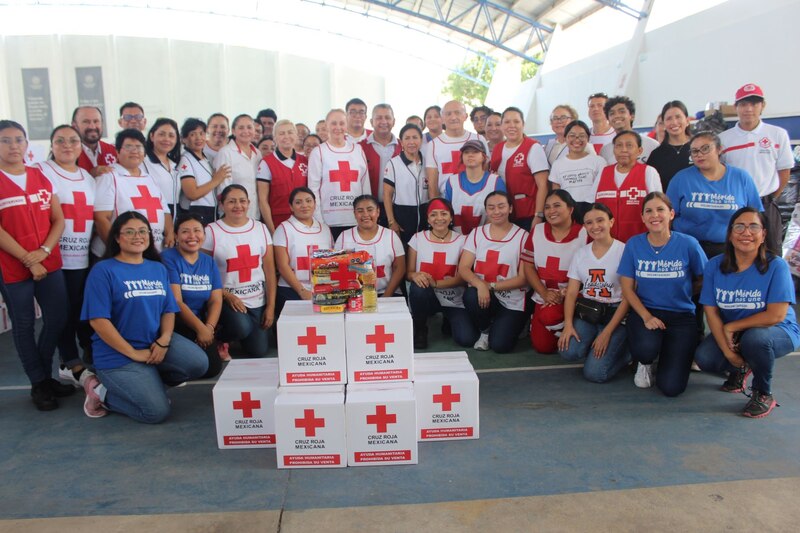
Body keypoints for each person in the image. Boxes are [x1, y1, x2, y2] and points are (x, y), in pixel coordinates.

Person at [80, 211, 208, 422]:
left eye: (142, 231)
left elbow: (169, 310)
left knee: (198, 363)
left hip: (153, 344)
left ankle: (147, 383)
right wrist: (132, 353)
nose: (137, 236)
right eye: (129, 232)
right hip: (117, 354)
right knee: (155, 412)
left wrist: (164, 340)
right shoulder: (103, 270)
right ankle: (100, 392)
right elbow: (98, 321)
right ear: (116, 237)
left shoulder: (157, 268)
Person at [695, 207, 800, 418]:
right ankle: (740, 369)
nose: (746, 232)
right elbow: (711, 311)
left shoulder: (776, 266)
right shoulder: (715, 266)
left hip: (776, 330)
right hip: (736, 334)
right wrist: (728, 353)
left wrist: (731, 327)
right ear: (730, 234)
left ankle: (763, 392)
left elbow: (776, 315)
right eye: (739, 226)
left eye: (754, 226)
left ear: (763, 235)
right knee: (706, 359)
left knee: (756, 340)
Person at [0, 120, 71, 410]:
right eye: (5, 140)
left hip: (48, 260)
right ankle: (38, 383)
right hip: (13, 266)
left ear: (27, 144)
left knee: (57, 318)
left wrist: (43, 251)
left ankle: (44, 374)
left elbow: (59, 219)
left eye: (19, 140)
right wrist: (28, 259)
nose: (14, 146)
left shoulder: (40, 176)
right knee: (24, 324)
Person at [618, 192, 707, 397]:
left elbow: (704, 278)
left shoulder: (688, 244)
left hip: (681, 317)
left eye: (660, 209)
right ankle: (645, 362)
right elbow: (627, 287)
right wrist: (646, 316)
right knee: (646, 348)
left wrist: (685, 291)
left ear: (672, 214)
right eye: (648, 211)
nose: (654, 215)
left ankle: (670, 353)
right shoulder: (634, 244)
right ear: (642, 217)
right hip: (646, 312)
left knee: (671, 388)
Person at [35, 125, 95, 385]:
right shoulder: (41, 171)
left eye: (73, 140)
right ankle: (69, 361)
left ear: (81, 146)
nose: (67, 145)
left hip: (83, 257)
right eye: (60, 141)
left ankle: (85, 358)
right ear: (51, 145)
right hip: (54, 257)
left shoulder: (88, 177)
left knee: (80, 310)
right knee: (60, 314)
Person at [558, 203, 631, 382]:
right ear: (584, 226)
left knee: (595, 374)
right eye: (589, 222)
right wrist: (568, 324)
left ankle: (629, 353)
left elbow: (628, 298)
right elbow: (572, 292)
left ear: (611, 222)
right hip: (590, 313)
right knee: (568, 351)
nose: (595, 226)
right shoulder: (581, 254)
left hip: (616, 316)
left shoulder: (624, 251)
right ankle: (597, 342)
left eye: (600, 220)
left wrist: (607, 333)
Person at [720, 83, 794, 254]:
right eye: (744, 104)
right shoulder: (724, 139)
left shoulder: (777, 134)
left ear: (763, 106)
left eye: (754, 104)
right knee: (736, 253)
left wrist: (770, 198)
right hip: (735, 205)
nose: (749, 109)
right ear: (736, 107)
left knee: (770, 253)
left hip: (766, 204)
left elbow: (784, 171)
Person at [202, 185, 276, 358]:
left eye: (242, 201)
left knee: (258, 351)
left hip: (257, 299)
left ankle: (243, 330)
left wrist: (270, 306)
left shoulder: (260, 228)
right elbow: (202, 272)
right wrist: (226, 295)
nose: (238, 206)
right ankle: (218, 337)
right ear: (222, 205)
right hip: (227, 299)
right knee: (241, 328)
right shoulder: (211, 231)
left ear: (249, 203)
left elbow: (270, 270)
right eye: (231, 201)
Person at [667, 131, 762, 260]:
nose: (699, 154)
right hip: (688, 248)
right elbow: (667, 216)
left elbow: (756, 216)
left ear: (719, 149)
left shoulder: (741, 178)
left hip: (730, 249)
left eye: (705, 149)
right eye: (694, 151)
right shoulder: (681, 179)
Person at [458, 191, 529, 353]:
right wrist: (480, 285)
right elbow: (464, 267)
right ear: (486, 211)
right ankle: (485, 330)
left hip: (512, 299)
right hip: (484, 297)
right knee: (471, 294)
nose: (496, 211)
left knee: (500, 346)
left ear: (510, 208)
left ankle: (519, 322)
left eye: (501, 206)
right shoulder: (477, 233)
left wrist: (489, 286)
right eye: (491, 207)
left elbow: (524, 278)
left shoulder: (523, 236)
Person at [522, 190, 588, 354]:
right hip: (544, 297)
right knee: (542, 347)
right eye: (547, 207)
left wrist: (567, 293)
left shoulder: (585, 233)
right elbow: (528, 267)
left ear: (571, 209)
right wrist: (544, 293)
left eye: (557, 205)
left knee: (550, 317)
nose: (551, 211)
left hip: (575, 297)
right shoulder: (537, 231)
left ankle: (577, 327)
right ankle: (562, 329)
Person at [407, 198, 478, 349]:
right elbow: (409, 272)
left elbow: (463, 277)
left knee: (467, 339)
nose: (439, 218)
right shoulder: (418, 238)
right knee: (417, 288)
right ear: (427, 218)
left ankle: (448, 318)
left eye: (444, 214)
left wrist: (437, 283)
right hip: (428, 296)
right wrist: (415, 276)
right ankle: (420, 328)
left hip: (453, 297)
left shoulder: (463, 241)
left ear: (451, 217)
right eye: (433, 215)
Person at [93, 129, 174, 258]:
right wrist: (117, 249)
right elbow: (100, 218)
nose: (135, 151)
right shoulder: (109, 177)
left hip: (151, 252)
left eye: (139, 147)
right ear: (117, 151)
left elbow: (164, 210)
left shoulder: (149, 178)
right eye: (128, 146)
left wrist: (169, 232)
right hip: (120, 255)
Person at [161, 213, 224, 379]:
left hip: (200, 320)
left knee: (213, 368)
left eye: (197, 231)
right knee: (198, 365)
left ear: (204, 235)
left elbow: (215, 299)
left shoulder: (208, 261)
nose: (192, 236)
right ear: (176, 235)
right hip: (176, 322)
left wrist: (209, 328)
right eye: (185, 232)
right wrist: (200, 329)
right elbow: (177, 301)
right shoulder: (168, 259)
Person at [307, 108, 370, 240]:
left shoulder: (357, 150)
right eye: (333, 123)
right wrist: (319, 220)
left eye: (341, 123)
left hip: (355, 219)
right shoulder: (318, 152)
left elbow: (365, 185)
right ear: (326, 126)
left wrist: (366, 215)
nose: (338, 127)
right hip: (329, 221)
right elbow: (313, 189)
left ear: (347, 124)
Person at [591, 130, 662, 242]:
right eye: (619, 145)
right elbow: (592, 206)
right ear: (614, 150)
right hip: (607, 243)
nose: (623, 150)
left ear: (639, 151)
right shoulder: (604, 172)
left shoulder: (648, 172)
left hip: (640, 242)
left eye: (629, 145)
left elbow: (659, 209)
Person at [273, 187, 333, 313]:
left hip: (322, 289)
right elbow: (282, 266)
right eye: (298, 202)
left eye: (308, 201)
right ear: (291, 207)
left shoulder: (325, 229)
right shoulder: (283, 229)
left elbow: (331, 261)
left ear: (315, 204)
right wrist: (302, 291)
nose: (304, 205)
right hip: (291, 290)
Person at [489, 107, 548, 231]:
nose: (512, 126)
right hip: (504, 214)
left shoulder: (533, 147)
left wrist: (539, 215)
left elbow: (543, 185)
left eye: (516, 122)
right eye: (507, 122)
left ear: (523, 124)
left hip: (528, 214)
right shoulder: (497, 149)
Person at [334, 195, 405, 297]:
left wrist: (386, 296)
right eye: (360, 211)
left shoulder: (391, 235)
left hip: (386, 292)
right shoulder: (344, 236)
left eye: (370, 209)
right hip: (354, 294)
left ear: (378, 212)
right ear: (354, 214)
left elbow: (400, 268)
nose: (365, 214)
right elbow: (337, 268)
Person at [425, 100, 488, 197]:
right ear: (442, 118)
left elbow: (486, 170)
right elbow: (432, 184)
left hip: (478, 197)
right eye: (448, 114)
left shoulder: (479, 139)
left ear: (465, 116)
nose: (453, 117)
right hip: (447, 201)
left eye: (457, 113)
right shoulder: (433, 145)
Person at [257, 120, 308, 234]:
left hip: (303, 220)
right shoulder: (266, 163)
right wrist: (271, 229)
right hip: (278, 222)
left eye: (290, 132)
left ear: (296, 135)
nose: (286, 136)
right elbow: (263, 200)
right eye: (281, 133)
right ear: (275, 138)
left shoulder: (304, 161)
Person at [445, 140, 506, 235]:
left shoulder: (495, 182)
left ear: (483, 157)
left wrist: (479, 237)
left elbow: (501, 213)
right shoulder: (452, 181)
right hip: (456, 238)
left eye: (475, 152)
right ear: (462, 157)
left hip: (487, 237)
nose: (470, 155)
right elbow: (446, 213)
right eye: (466, 152)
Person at [549, 120, 606, 221]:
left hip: (592, 213)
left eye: (582, 135)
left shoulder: (599, 161)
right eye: (572, 135)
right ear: (565, 138)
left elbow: (601, 191)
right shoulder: (557, 164)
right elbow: (556, 194)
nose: (577, 139)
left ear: (588, 138)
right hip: (566, 215)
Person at [177, 118, 230, 225]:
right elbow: (192, 194)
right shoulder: (185, 160)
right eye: (193, 134)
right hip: (196, 212)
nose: (199, 138)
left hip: (210, 211)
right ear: (184, 139)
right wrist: (216, 180)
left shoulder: (206, 158)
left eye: (201, 133)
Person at [383, 123, 428, 245]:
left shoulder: (429, 162)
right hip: (402, 217)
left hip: (425, 217)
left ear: (421, 140)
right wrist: (392, 222)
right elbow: (387, 194)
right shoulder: (393, 164)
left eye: (415, 137)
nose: (411, 142)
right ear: (401, 142)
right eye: (407, 138)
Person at [214, 114, 261, 221]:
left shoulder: (257, 153)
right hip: (233, 215)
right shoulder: (226, 152)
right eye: (241, 128)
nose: (246, 131)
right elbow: (223, 188)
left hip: (255, 213)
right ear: (234, 131)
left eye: (249, 127)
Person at [360, 104, 401, 221]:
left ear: (394, 121)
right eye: (379, 118)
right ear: (372, 122)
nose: (384, 121)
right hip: (369, 210)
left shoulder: (403, 146)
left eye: (387, 117)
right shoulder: (360, 148)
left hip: (397, 208)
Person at [647, 101, 693, 190]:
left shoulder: (699, 148)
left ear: (687, 121)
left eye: (678, 117)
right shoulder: (656, 155)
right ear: (664, 124)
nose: (674, 122)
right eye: (669, 118)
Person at [599, 96, 659, 165]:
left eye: (622, 111)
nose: (617, 116)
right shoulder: (605, 151)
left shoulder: (652, 145)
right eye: (612, 113)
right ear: (608, 120)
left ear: (632, 116)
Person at [144, 118, 181, 216]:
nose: (167, 139)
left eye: (171, 136)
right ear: (152, 136)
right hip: (153, 215)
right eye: (161, 134)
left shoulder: (175, 165)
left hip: (174, 217)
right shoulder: (143, 161)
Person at [72, 106, 118, 177]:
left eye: (96, 121)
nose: (92, 126)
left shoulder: (115, 151)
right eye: (86, 122)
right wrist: (90, 175)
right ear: (74, 125)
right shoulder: (67, 153)